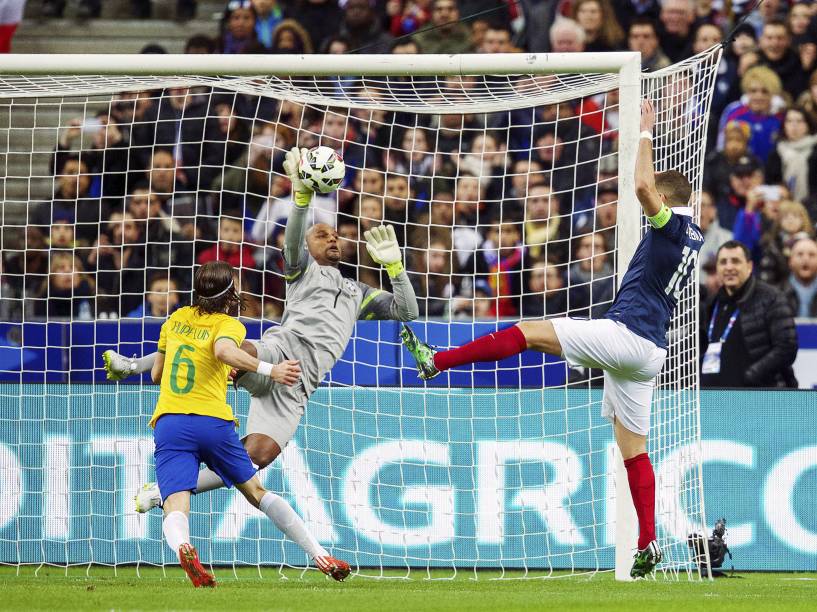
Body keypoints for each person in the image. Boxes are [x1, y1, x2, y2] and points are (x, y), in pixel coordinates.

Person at [400, 99, 703, 578]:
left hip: (626, 335)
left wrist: (644, 132)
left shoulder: (671, 228)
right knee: (634, 450)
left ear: (665, 204)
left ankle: (439, 360)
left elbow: (644, 184)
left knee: (528, 332)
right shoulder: (695, 236)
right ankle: (648, 542)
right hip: (649, 353)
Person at [103, 147, 419, 511]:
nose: (332, 238)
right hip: (277, 352)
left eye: (335, 235)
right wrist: (301, 199)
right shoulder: (301, 271)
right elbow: (291, 240)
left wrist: (396, 268)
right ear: (307, 245)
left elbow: (406, 310)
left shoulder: (358, 293)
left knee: (253, 462)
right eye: (321, 234)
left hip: (299, 385)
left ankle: (159, 493)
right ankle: (134, 365)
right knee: (229, 350)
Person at [148, 260, 349, 587]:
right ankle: (319, 555)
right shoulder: (229, 324)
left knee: (176, 504)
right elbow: (225, 351)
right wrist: (272, 370)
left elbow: (157, 374)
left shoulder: (174, 320)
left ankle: (185, 547)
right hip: (212, 423)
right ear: (231, 295)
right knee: (256, 491)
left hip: (171, 421)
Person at [701, 240, 798, 387]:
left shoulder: (771, 297)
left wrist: (752, 376)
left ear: (749, 266)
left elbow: (787, 347)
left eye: (735, 261)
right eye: (723, 262)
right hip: (715, 398)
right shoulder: (712, 303)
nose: (729, 267)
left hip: (759, 397)